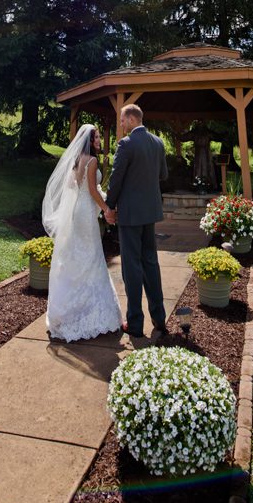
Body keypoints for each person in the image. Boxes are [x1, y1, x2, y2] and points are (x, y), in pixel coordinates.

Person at [42, 123, 122, 342]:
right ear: (89, 140)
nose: (99, 140)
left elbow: (72, 186)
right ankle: (90, 312)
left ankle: (70, 310)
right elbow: (93, 190)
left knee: (77, 256)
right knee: (91, 256)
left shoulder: (77, 159)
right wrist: (106, 208)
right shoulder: (92, 161)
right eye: (96, 137)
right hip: (86, 213)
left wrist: (93, 196)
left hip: (77, 211)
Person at [104, 104, 168, 339]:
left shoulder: (127, 144)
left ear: (131, 119)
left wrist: (109, 206)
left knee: (131, 266)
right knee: (151, 262)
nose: (121, 124)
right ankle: (159, 319)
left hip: (130, 215)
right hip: (150, 212)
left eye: (122, 120)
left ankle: (135, 324)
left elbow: (116, 179)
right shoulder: (158, 143)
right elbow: (163, 175)